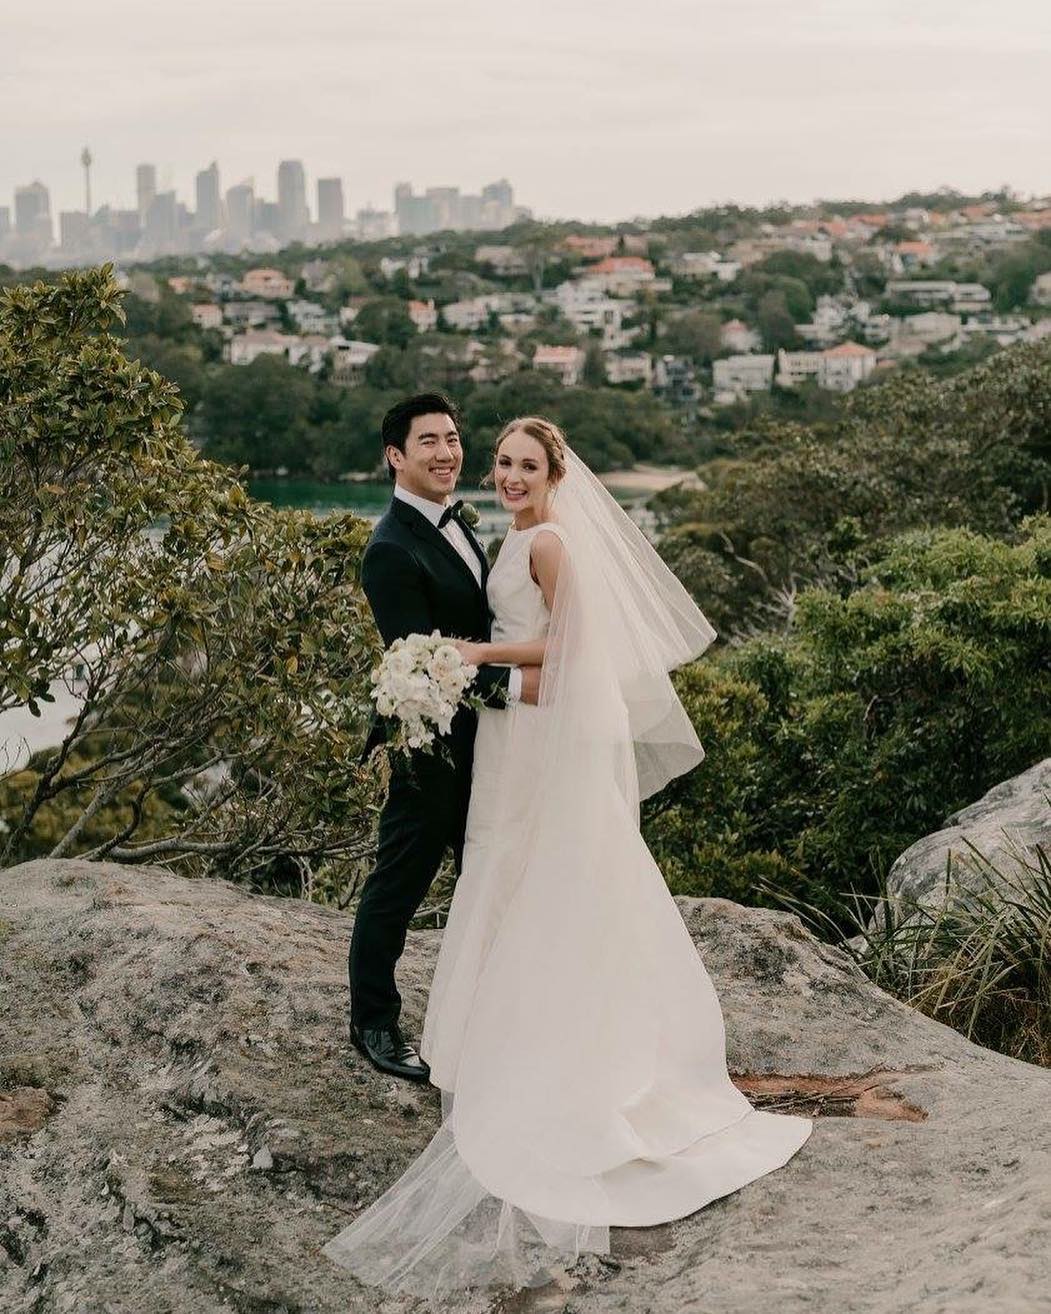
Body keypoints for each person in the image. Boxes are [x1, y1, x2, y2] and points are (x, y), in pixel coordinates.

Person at [327, 414, 813, 1300]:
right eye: (493, 460)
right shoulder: (403, 544)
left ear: (553, 472)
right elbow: (420, 645)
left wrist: (473, 655)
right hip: (460, 743)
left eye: (516, 462)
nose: (494, 471)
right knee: (424, 871)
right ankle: (373, 1016)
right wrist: (451, 665)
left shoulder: (531, 538)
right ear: (395, 455)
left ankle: (532, 1035)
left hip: (519, 737)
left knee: (529, 876)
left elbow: (572, 651)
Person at [348, 393, 536, 1081]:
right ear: (396, 456)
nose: (445, 452)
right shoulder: (390, 551)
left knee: (490, 875)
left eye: (452, 439)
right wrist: (523, 689)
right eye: (428, 441)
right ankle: (371, 1020)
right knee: (398, 882)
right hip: (431, 748)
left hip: (485, 744)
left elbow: (478, 634)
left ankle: (493, 1016)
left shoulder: (458, 525)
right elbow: (424, 664)